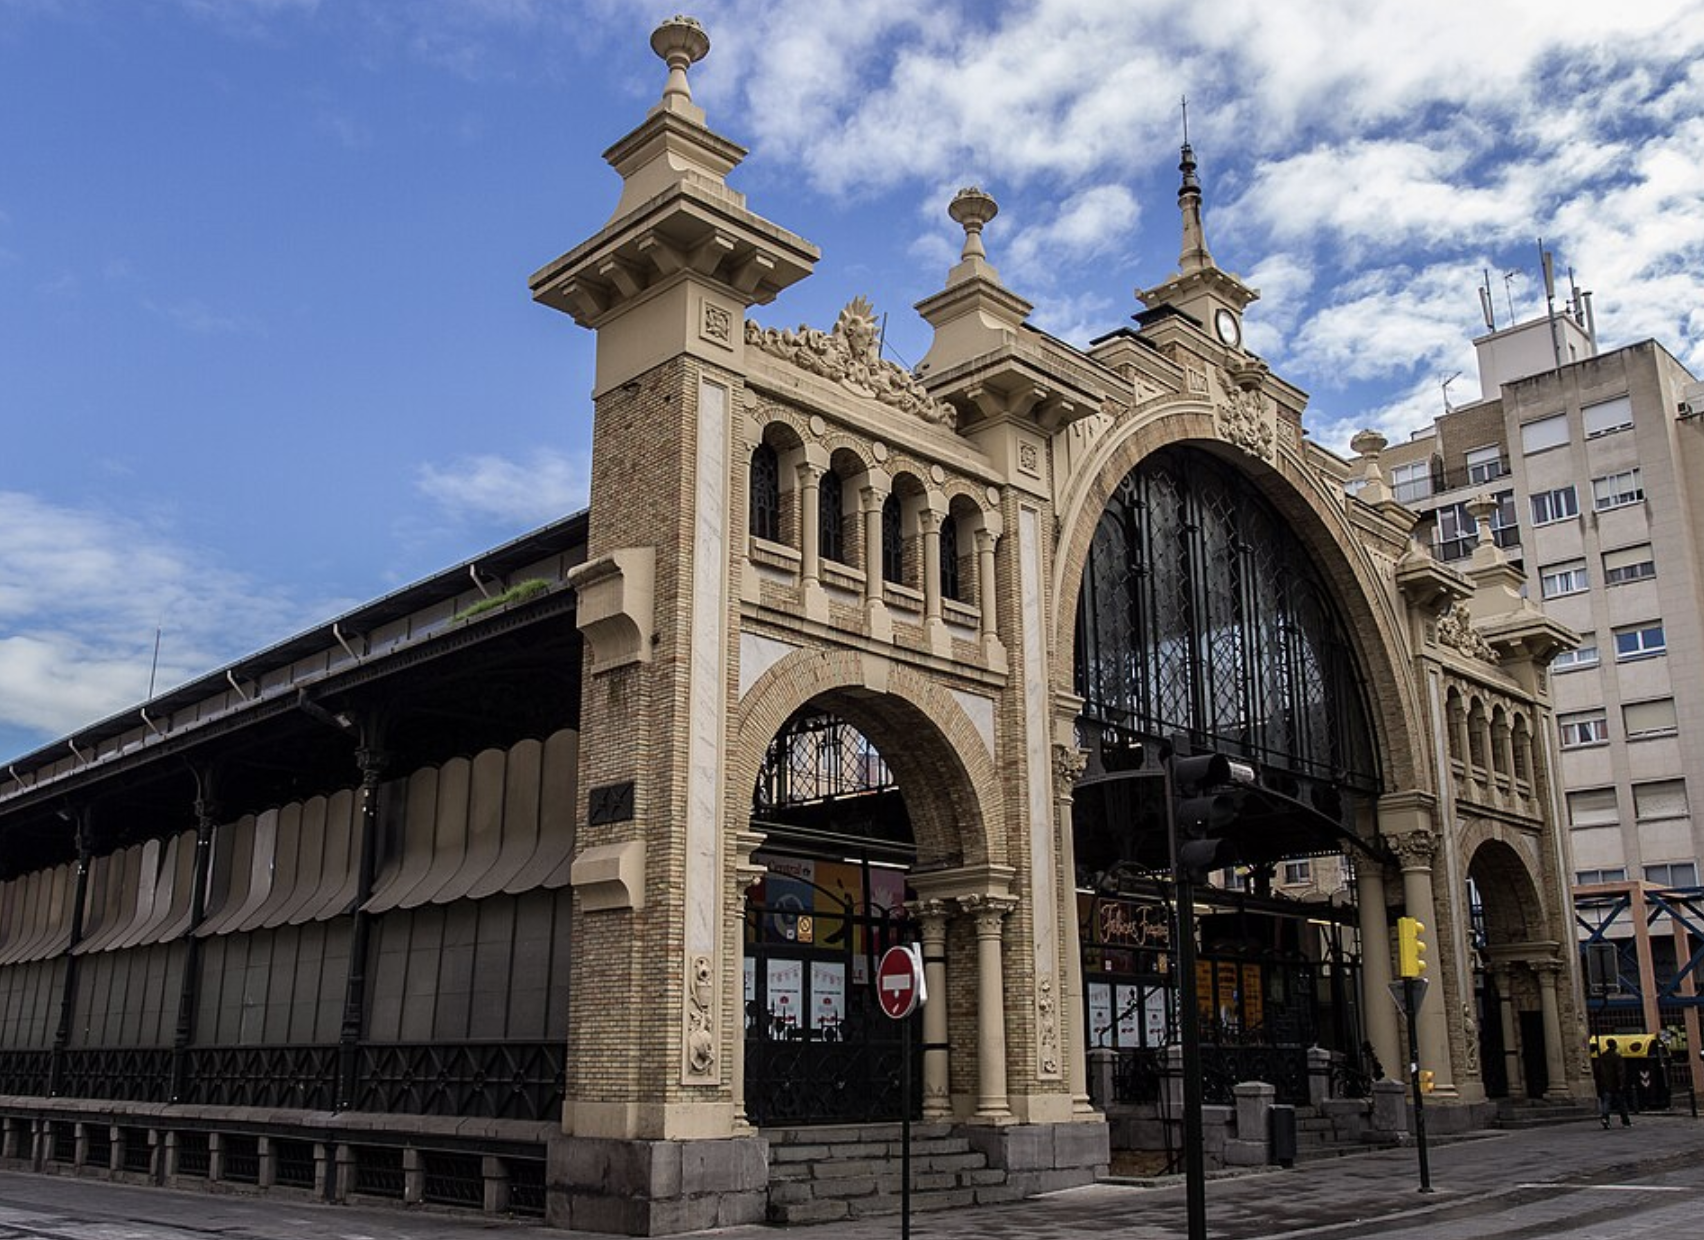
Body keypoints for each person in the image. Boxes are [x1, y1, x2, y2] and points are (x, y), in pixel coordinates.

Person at [1592, 1038, 1632, 1128]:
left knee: (1606, 1102)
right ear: (1614, 1045)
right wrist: (1622, 1083)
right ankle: (1625, 1121)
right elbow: (1620, 1071)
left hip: (1605, 1084)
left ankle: (1605, 1118)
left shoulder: (1602, 1057)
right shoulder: (1617, 1057)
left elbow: (1597, 1069)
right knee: (1621, 1104)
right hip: (1616, 1084)